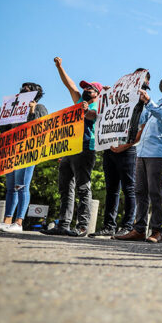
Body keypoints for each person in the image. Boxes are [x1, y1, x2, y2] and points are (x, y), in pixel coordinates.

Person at [115, 72, 162, 243]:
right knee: (140, 191)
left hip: (157, 152)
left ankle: (157, 231)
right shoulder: (157, 103)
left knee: (155, 192)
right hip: (142, 152)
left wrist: (149, 102)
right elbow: (140, 119)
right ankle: (139, 229)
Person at [41, 57, 101, 237]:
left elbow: (92, 116)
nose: (85, 89)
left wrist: (85, 111)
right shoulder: (78, 101)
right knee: (65, 187)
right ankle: (63, 224)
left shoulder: (100, 105)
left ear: (97, 93)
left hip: (85, 148)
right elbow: (71, 85)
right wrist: (60, 67)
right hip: (69, 148)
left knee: (83, 187)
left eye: (90, 88)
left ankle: (83, 225)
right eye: (85, 87)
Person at [89, 69, 150, 238]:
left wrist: (126, 146)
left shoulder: (143, 104)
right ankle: (109, 225)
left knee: (129, 189)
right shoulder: (115, 99)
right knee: (112, 189)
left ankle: (128, 225)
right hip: (110, 149)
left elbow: (142, 130)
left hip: (127, 150)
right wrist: (107, 96)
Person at [0, 83, 48, 233]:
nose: (23, 90)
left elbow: (40, 129)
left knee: (21, 186)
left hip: (27, 152)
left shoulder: (40, 108)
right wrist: (2, 118)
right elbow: (6, 132)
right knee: (10, 188)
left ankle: (19, 222)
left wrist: (33, 111)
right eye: (23, 88)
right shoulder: (15, 110)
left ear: (35, 93)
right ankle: (7, 221)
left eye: (27, 88)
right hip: (12, 152)